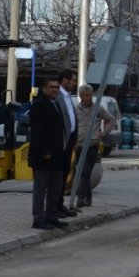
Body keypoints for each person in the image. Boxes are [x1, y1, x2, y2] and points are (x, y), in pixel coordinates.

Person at [28, 76, 68, 230]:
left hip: (57, 154)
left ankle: (51, 216)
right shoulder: (39, 105)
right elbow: (37, 131)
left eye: (57, 87)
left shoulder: (56, 103)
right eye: (51, 87)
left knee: (55, 187)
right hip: (43, 155)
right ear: (44, 88)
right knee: (41, 188)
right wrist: (45, 151)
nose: (55, 90)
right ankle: (38, 218)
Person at [72, 84, 115, 208]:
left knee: (85, 172)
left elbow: (111, 120)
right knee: (80, 172)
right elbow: (72, 125)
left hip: (93, 144)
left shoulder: (98, 108)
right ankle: (88, 198)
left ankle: (80, 198)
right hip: (80, 145)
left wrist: (103, 133)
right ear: (81, 96)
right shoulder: (76, 110)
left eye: (91, 95)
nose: (89, 97)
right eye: (86, 95)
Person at [54, 69, 79, 217]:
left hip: (69, 142)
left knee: (64, 173)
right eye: (73, 81)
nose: (74, 84)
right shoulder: (58, 96)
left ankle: (60, 204)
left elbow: (71, 119)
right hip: (61, 142)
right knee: (58, 175)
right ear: (65, 80)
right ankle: (55, 206)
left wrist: (74, 138)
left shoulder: (68, 96)